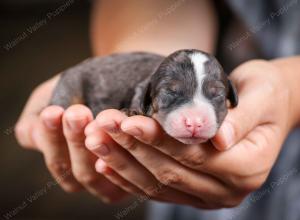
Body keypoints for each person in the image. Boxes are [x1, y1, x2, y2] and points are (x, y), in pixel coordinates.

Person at [15, 0, 300, 219]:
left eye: (214, 96)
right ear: (147, 96)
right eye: (172, 94)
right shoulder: (138, 94)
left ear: (231, 95)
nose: (194, 120)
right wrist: (148, 47)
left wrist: (290, 88)